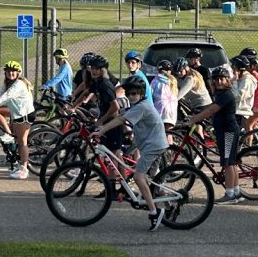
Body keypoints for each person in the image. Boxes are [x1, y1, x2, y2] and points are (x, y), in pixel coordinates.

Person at [92, 76, 170, 231]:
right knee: (152, 179)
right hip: (150, 144)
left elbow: (121, 119)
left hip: (152, 146)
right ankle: (169, 205)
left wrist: (102, 129)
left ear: (141, 93)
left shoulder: (142, 107)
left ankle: (154, 212)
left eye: (135, 93)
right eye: (129, 93)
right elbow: (123, 114)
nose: (131, 96)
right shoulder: (139, 105)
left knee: (138, 177)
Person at [187, 66, 242, 204]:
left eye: (221, 79)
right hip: (225, 130)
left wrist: (195, 119)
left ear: (227, 80)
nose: (218, 82)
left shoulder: (226, 95)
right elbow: (212, 107)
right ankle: (236, 191)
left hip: (228, 131)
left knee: (228, 163)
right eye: (216, 79)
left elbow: (212, 109)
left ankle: (230, 194)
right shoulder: (220, 94)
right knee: (232, 162)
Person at [0, 61, 35, 180]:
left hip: (24, 115)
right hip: (17, 114)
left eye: (13, 71)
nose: (11, 73)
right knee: (16, 140)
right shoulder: (8, 83)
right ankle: (19, 163)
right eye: (8, 71)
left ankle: (24, 169)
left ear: (18, 73)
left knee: (22, 142)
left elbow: (6, 97)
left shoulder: (18, 84)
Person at [73, 55, 123, 160]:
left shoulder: (105, 84)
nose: (94, 71)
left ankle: (116, 176)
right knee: (110, 154)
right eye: (93, 68)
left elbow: (115, 107)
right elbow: (87, 91)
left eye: (97, 69)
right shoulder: (97, 82)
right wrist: (73, 106)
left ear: (103, 70)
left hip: (113, 123)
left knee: (114, 155)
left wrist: (100, 121)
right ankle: (111, 176)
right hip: (106, 122)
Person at [150, 60, 179, 142]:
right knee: (169, 132)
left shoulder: (156, 80)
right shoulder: (173, 81)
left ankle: (161, 151)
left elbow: (150, 94)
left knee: (159, 133)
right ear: (170, 71)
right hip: (171, 111)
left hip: (160, 110)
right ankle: (170, 150)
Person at [231, 55, 257, 131]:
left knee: (231, 135)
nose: (232, 68)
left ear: (239, 68)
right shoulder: (241, 78)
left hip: (241, 112)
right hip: (235, 110)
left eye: (234, 66)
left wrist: (235, 81)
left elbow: (237, 97)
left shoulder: (247, 81)